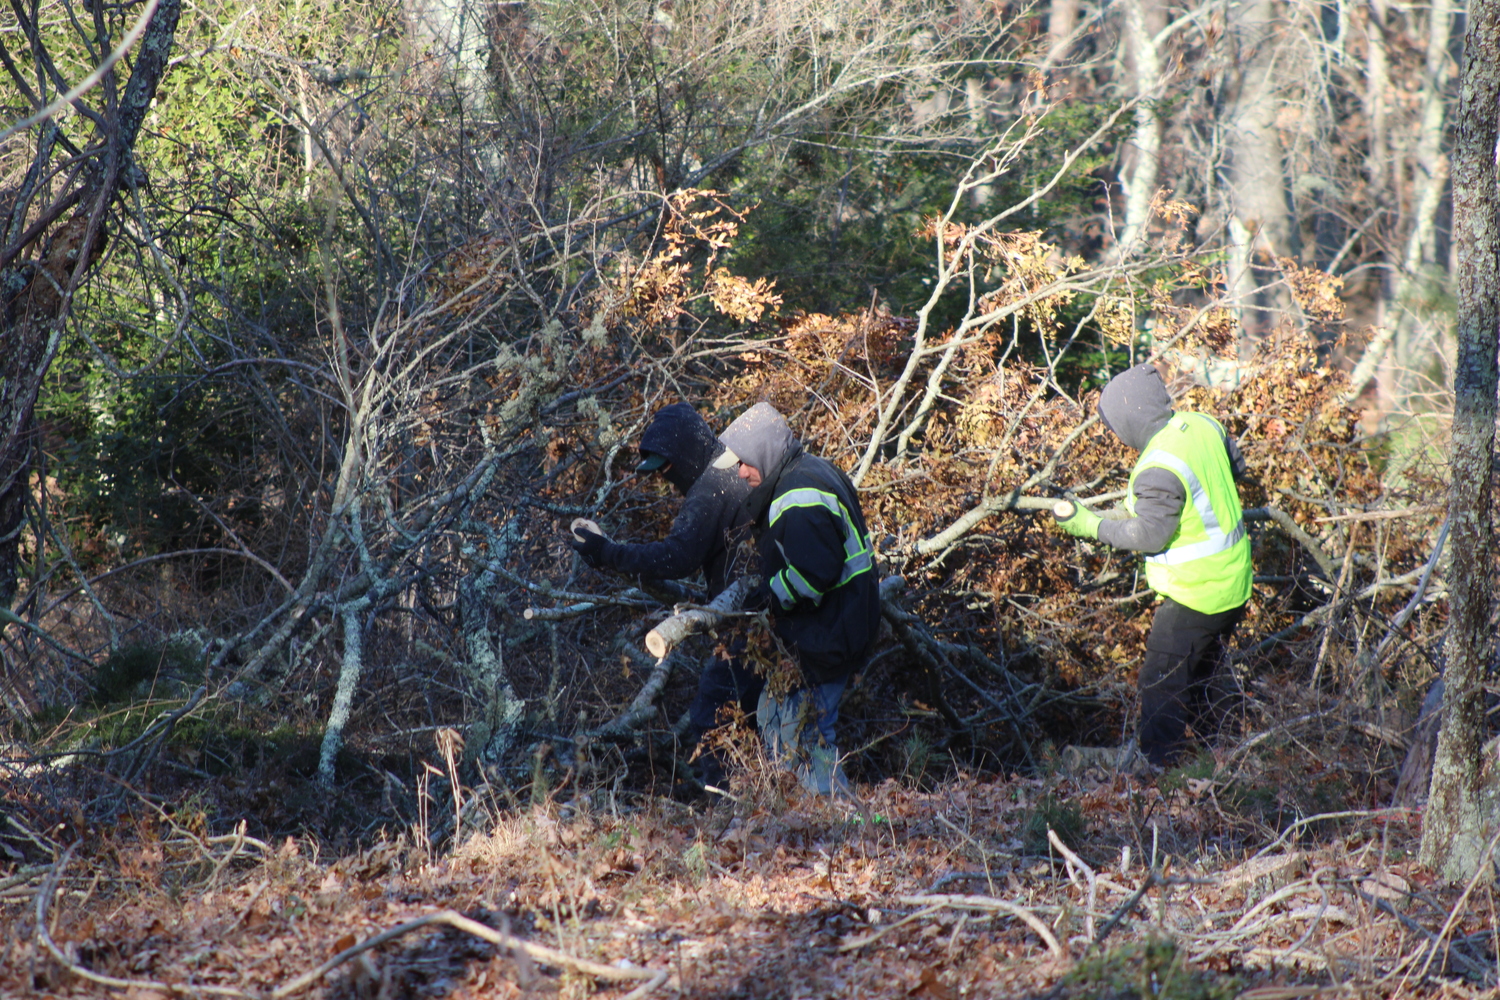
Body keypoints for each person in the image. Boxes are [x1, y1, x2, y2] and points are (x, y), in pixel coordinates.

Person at [1054, 363, 1253, 767]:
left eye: (1115, 426)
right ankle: (1227, 753)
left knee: (1161, 679)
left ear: (1131, 419)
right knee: (1206, 670)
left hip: (1198, 591)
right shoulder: (1201, 424)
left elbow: (1151, 535)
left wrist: (1090, 525)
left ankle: (1158, 764)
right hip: (1234, 579)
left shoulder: (1157, 466)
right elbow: (1236, 466)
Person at [566, 402, 760, 785]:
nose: (667, 479)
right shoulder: (734, 467)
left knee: (712, 715)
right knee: (755, 716)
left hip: (748, 624)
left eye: (667, 468)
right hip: (760, 614)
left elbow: (676, 557)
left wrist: (606, 552)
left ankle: (737, 815)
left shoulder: (711, 486)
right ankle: (765, 808)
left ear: (686, 451)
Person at [712, 402, 881, 795]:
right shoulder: (811, 469)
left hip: (831, 630)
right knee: (774, 717)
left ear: (763, 453)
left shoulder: (797, 494)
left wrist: (768, 598)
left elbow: (811, 577)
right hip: (840, 622)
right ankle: (806, 818)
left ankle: (836, 822)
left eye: (744, 463)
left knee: (800, 733)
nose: (740, 473)